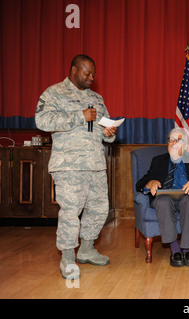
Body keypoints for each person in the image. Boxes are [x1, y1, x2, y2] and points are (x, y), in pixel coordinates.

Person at [35, 54, 118, 279]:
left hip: (95, 165)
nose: (91, 77)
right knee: (71, 213)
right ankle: (68, 259)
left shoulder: (96, 98)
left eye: (93, 74)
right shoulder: (54, 93)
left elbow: (104, 131)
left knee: (99, 209)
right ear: (73, 70)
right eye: (87, 73)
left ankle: (87, 249)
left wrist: (109, 132)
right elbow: (42, 121)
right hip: (69, 166)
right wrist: (79, 116)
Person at [135, 128, 189, 267]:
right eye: (170, 140)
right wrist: (150, 183)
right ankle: (175, 249)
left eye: (177, 140)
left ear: (185, 146)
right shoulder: (158, 161)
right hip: (164, 197)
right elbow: (141, 183)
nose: (172, 143)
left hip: (187, 197)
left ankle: (187, 249)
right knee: (163, 201)